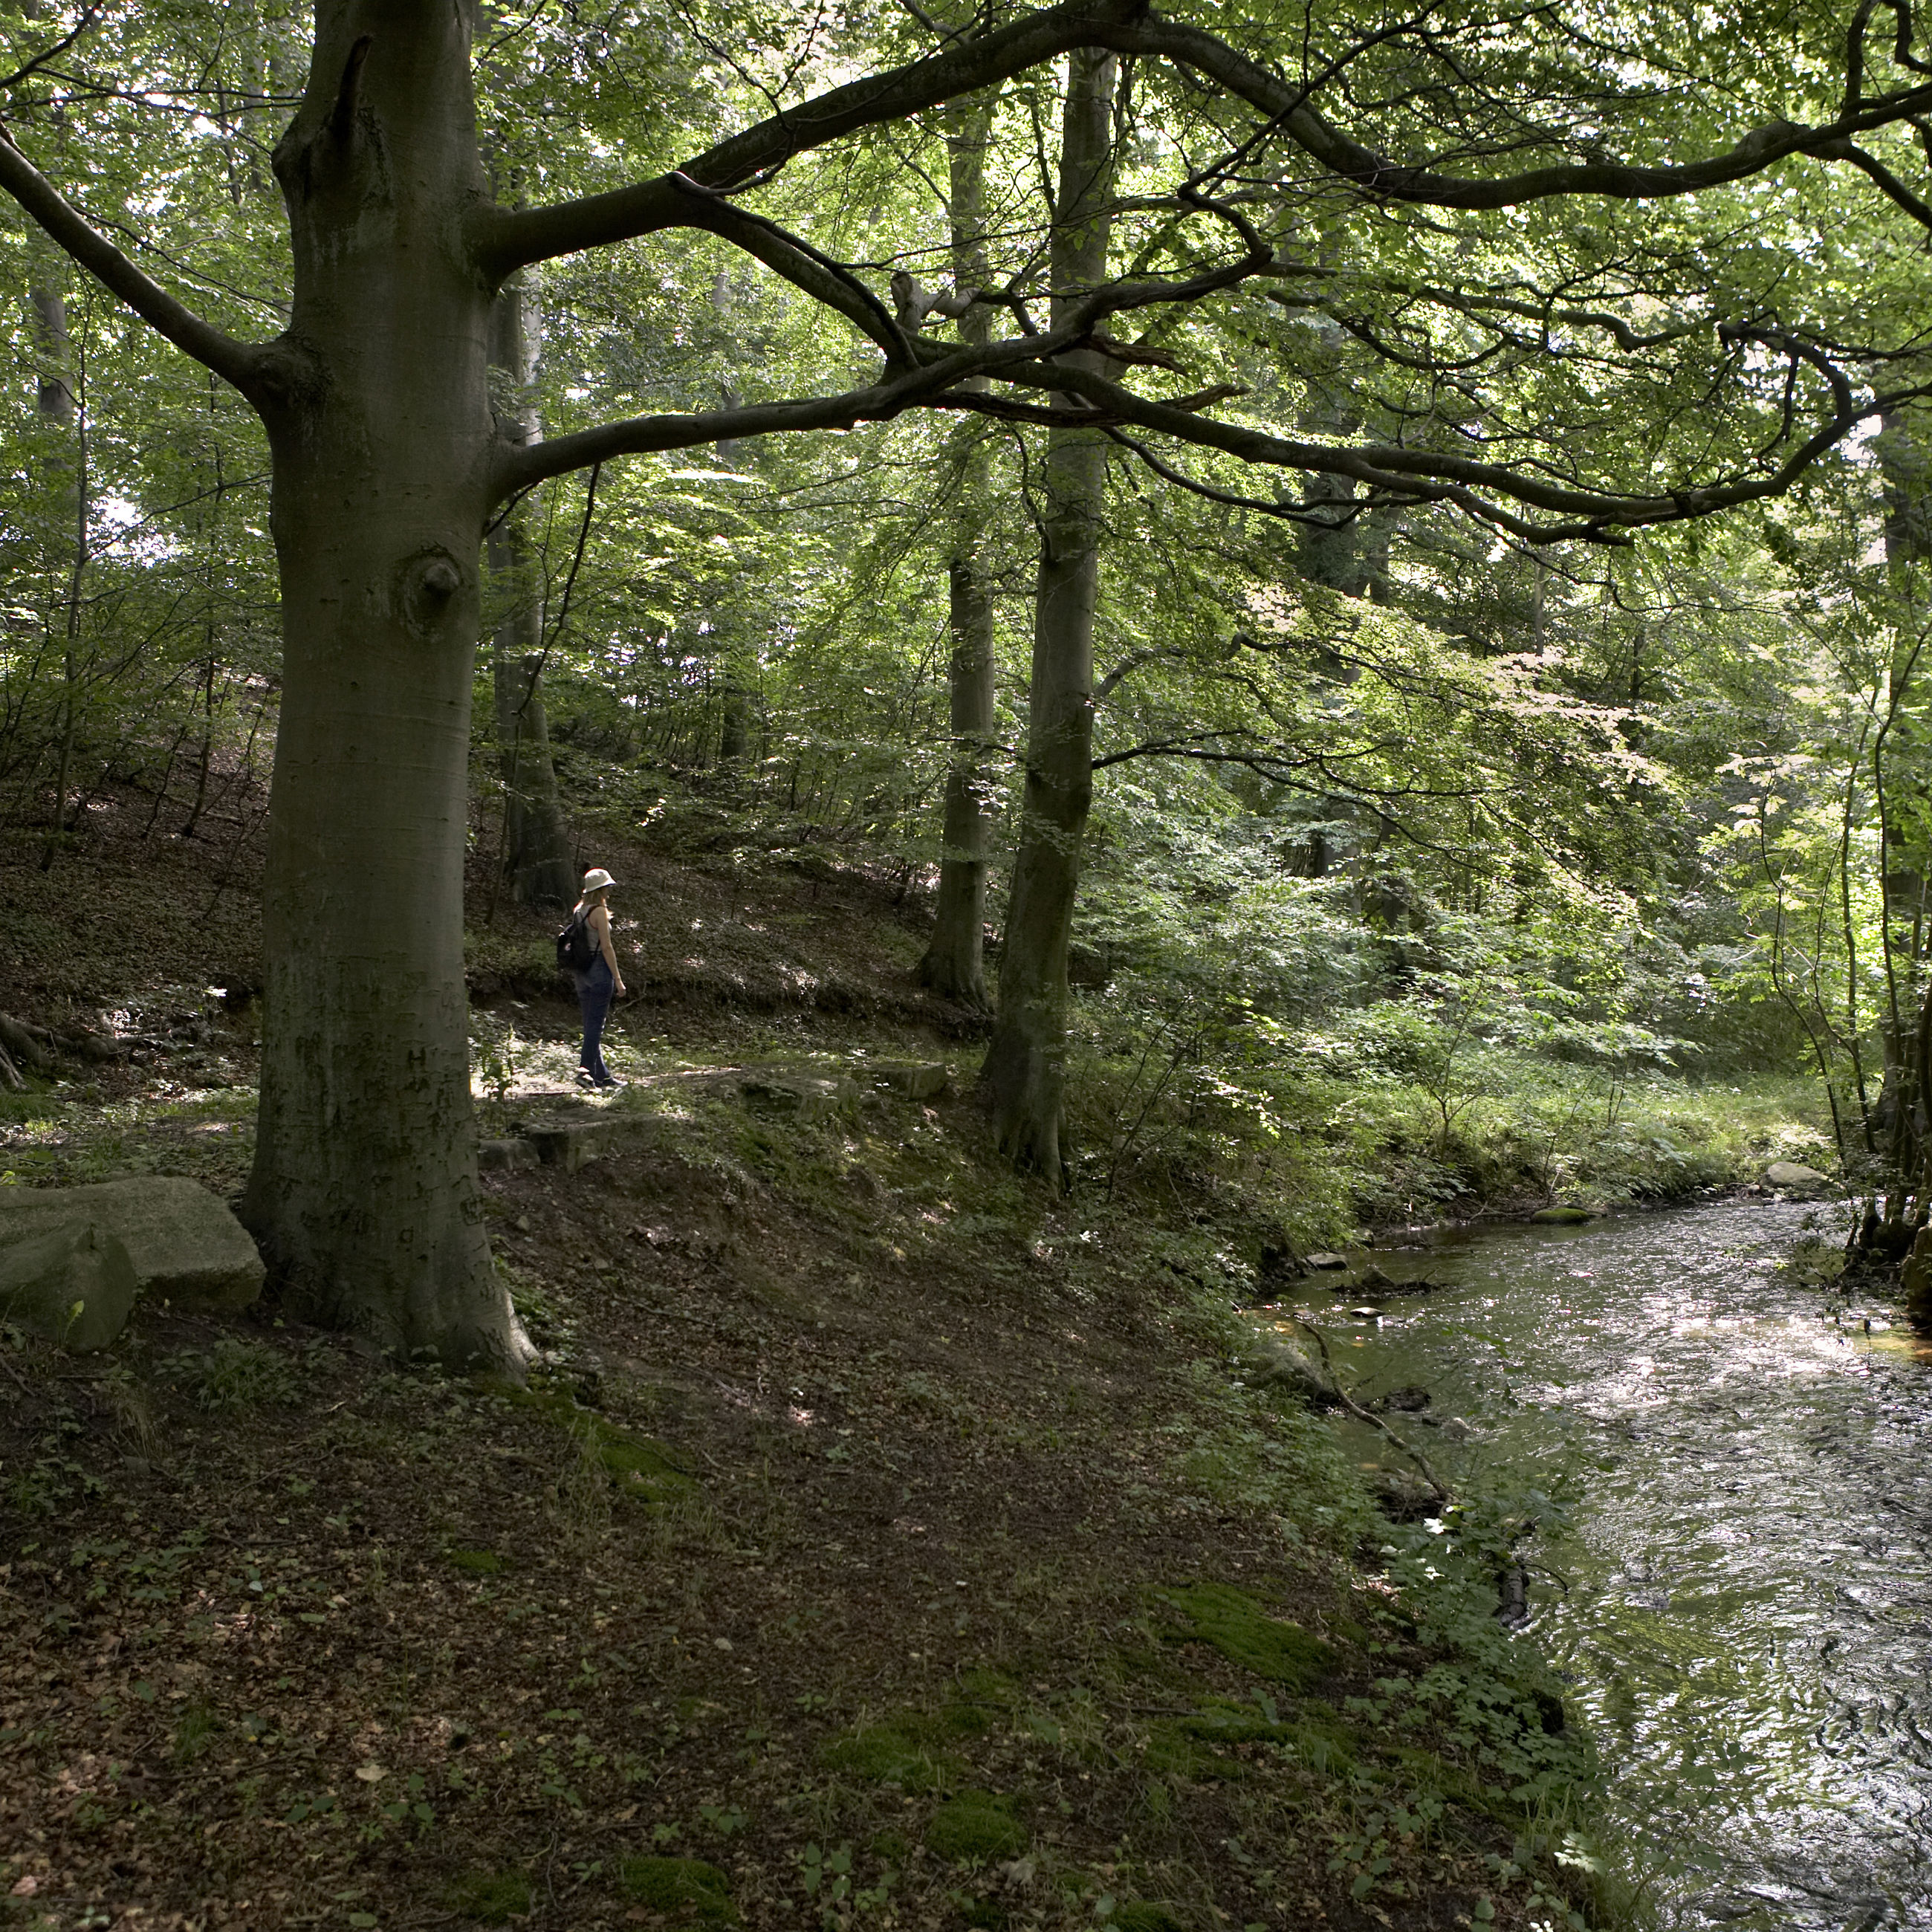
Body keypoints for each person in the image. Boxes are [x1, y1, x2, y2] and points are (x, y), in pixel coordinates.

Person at [569, 866, 626, 1089]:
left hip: (580, 972)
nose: (609, 892)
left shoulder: (578, 910)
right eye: (607, 888)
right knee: (596, 1025)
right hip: (599, 971)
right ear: (601, 889)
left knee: (590, 1024)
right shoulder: (599, 913)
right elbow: (607, 948)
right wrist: (619, 980)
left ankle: (602, 1076)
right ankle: (584, 1072)